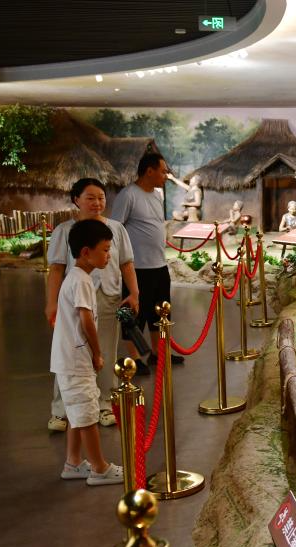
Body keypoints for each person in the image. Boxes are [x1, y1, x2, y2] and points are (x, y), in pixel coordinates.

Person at [45, 178, 139, 431]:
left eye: (101, 197)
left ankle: (105, 403)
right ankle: (61, 410)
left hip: (108, 297)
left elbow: (127, 263)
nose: (97, 202)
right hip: (74, 301)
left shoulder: (116, 229)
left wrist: (134, 293)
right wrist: (51, 303)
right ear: (76, 200)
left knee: (106, 350)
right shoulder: (64, 231)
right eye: (90, 198)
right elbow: (56, 269)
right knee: (71, 352)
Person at [50, 219, 124, 486]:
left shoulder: (77, 277)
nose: (109, 255)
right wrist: (97, 352)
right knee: (88, 415)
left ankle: (73, 462)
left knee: (77, 412)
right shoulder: (81, 280)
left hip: (69, 358)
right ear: (85, 252)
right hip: (76, 359)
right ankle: (99, 467)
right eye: (104, 250)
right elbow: (86, 321)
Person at [109, 152, 184, 369]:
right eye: (163, 171)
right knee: (133, 314)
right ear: (149, 171)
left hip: (159, 266)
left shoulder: (157, 195)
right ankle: (134, 359)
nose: (166, 176)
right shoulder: (128, 195)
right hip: (136, 268)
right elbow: (115, 229)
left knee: (160, 312)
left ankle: (158, 354)